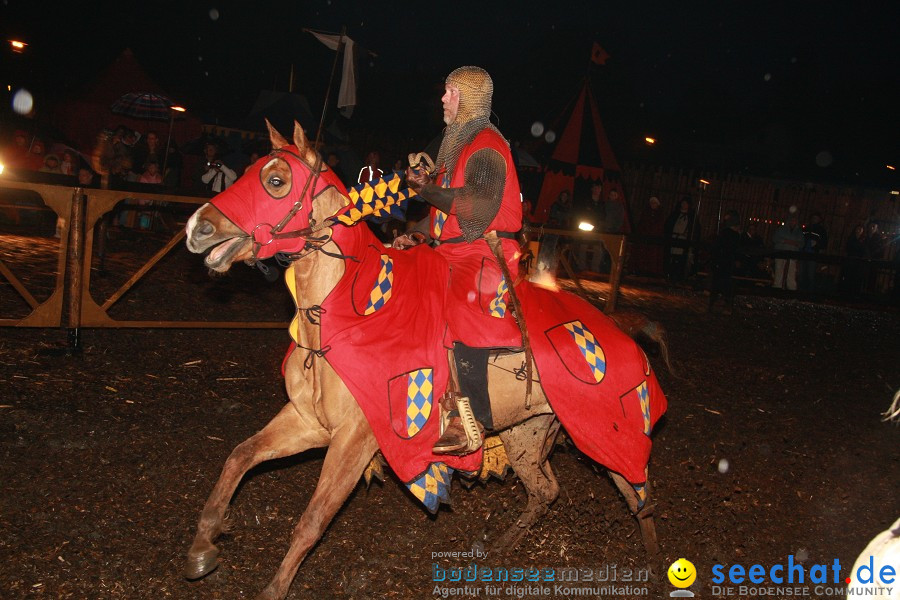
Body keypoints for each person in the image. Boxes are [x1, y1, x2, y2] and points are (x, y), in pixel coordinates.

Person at [400, 66, 523, 455]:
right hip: (452, 249)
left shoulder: (487, 144)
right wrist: (417, 231)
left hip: (484, 253)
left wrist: (429, 189)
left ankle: (470, 419)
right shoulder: (453, 146)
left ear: (468, 98)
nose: (442, 99)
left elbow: (476, 208)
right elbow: (445, 218)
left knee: (458, 305)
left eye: (450, 92)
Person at [708, 210, 742, 313]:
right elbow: (735, 249)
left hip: (721, 262)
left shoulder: (724, 233)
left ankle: (714, 304)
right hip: (726, 262)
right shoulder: (734, 236)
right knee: (725, 284)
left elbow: (716, 247)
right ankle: (724, 304)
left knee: (717, 283)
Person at [574, 182, 606, 273]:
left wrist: (600, 225)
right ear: (592, 189)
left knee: (598, 249)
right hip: (586, 226)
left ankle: (595, 268)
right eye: (595, 188)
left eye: (598, 188)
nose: (597, 190)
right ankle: (581, 267)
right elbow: (581, 213)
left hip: (597, 228)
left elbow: (603, 215)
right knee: (583, 246)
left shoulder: (601, 203)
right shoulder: (586, 201)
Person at [664, 197, 697, 282]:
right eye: (683, 203)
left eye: (686, 203)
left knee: (681, 259)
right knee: (672, 257)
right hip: (673, 239)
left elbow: (695, 230)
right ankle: (669, 274)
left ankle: (679, 276)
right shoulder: (675, 214)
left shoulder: (691, 217)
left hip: (684, 240)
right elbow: (668, 226)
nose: (684, 205)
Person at [631, 196, 666, 276]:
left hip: (654, 239)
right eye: (651, 203)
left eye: (654, 203)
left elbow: (659, 226)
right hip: (644, 238)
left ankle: (651, 271)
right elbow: (642, 224)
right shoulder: (646, 213)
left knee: (652, 255)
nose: (653, 205)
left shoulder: (660, 214)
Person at [771, 210, 804, 290]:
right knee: (779, 272)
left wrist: (792, 242)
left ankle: (791, 290)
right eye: (792, 220)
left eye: (795, 220)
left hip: (792, 255)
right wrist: (785, 241)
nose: (793, 222)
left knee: (791, 274)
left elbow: (802, 244)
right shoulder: (781, 229)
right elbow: (775, 239)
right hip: (780, 254)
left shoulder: (799, 232)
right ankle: (777, 288)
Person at [799, 212, 828, 291]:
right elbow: (800, 239)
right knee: (801, 274)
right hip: (803, 254)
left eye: (816, 218)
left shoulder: (822, 230)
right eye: (813, 218)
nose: (814, 219)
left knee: (811, 274)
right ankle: (800, 291)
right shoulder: (806, 228)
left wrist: (817, 244)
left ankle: (809, 292)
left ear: (819, 220)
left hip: (813, 255)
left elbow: (824, 244)